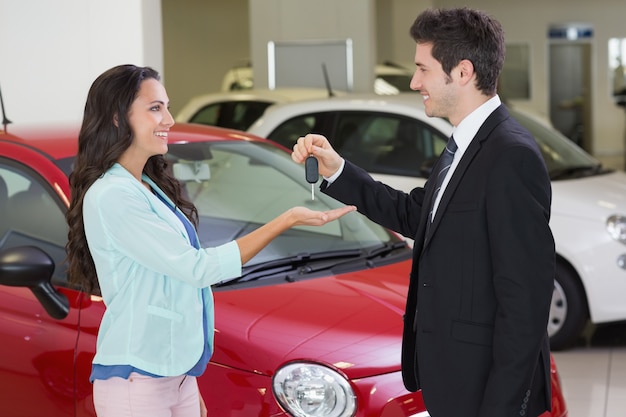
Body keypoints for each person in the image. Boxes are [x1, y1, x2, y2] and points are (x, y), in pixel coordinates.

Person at [292, 7, 555, 417]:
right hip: (452, 380)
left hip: (484, 390)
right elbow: (418, 215)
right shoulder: (464, 144)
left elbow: (526, 303)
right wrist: (339, 171)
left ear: (463, 72)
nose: (415, 82)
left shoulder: (510, 155)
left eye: (423, 69)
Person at [65, 64, 355, 417]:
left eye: (167, 106)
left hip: (175, 375)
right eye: (155, 108)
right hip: (136, 379)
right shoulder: (112, 194)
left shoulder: (147, 186)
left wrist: (188, 381)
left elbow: (172, 288)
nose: (169, 119)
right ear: (115, 118)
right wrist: (287, 220)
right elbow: (196, 269)